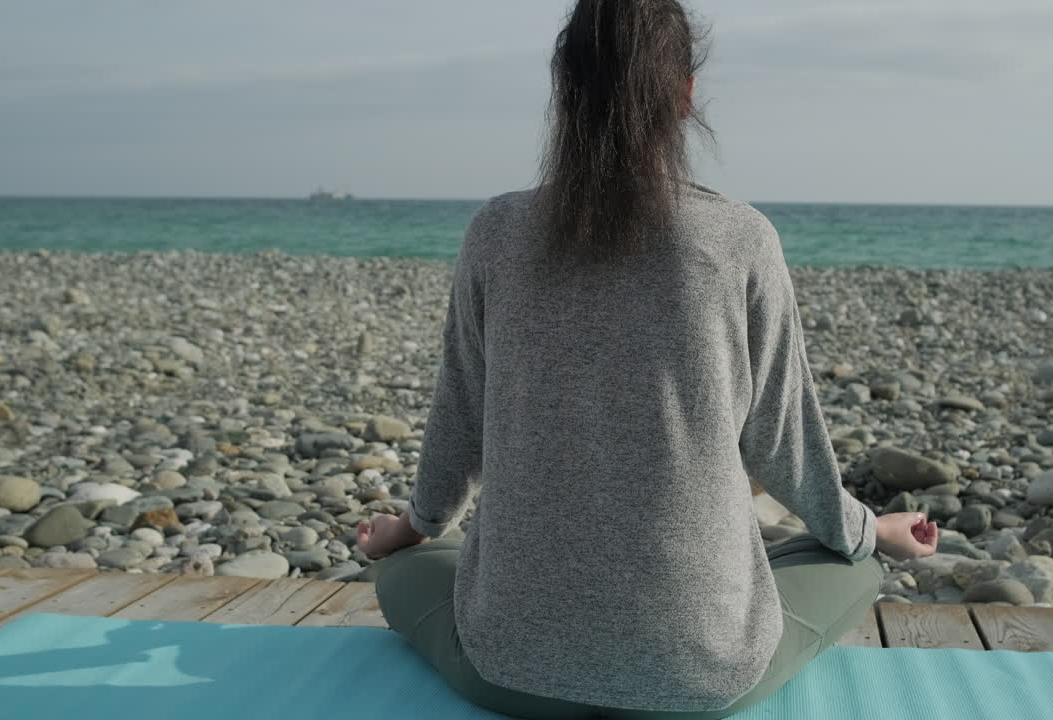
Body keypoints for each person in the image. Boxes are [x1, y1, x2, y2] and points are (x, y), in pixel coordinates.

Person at [357, 0, 939, 718]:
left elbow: (458, 427)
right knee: (851, 565)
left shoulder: (496, 232)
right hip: (697, 684)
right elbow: (786, 451)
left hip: (510, 672)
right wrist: (872, 531)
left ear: (565, 88)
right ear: (687, 94)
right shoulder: (740, 239)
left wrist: (408, 531)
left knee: (409, 569)